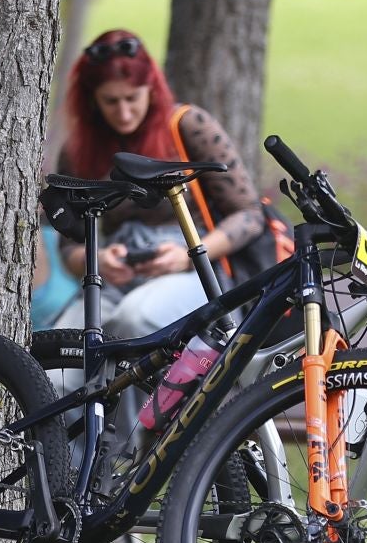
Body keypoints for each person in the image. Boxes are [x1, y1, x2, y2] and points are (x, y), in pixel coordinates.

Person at [51, 30, 266, 339]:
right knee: (60, 349)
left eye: (132, 98)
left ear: (151, 89)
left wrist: (187, 255)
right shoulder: (77, 151)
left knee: (134, 320)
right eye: (111, 101)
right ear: (92, 99)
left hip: (197, 272)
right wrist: (97, 261)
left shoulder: (187, 125)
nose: (124, 112)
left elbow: (249, 215)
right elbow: (68, 243)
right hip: (115, 280)